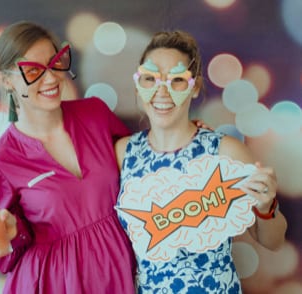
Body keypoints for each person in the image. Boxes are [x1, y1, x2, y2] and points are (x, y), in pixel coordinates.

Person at [0, 21, 137, 294]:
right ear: (7, 80)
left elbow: (142, 165)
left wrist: (188, 140)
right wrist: (7, 232)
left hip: (118, 266)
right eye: (33, 71)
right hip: (56, 283)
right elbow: (6, 256)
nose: (51, 78)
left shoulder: (96, 113)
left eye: (55, 62)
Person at [114, 30, 287, 293]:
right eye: (150, 79)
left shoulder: (226, 153)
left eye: (177, 81)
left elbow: (273, 241)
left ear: (194, 87)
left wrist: (266, 206)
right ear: (139, 84)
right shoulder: (123, 153)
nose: (162, 92)